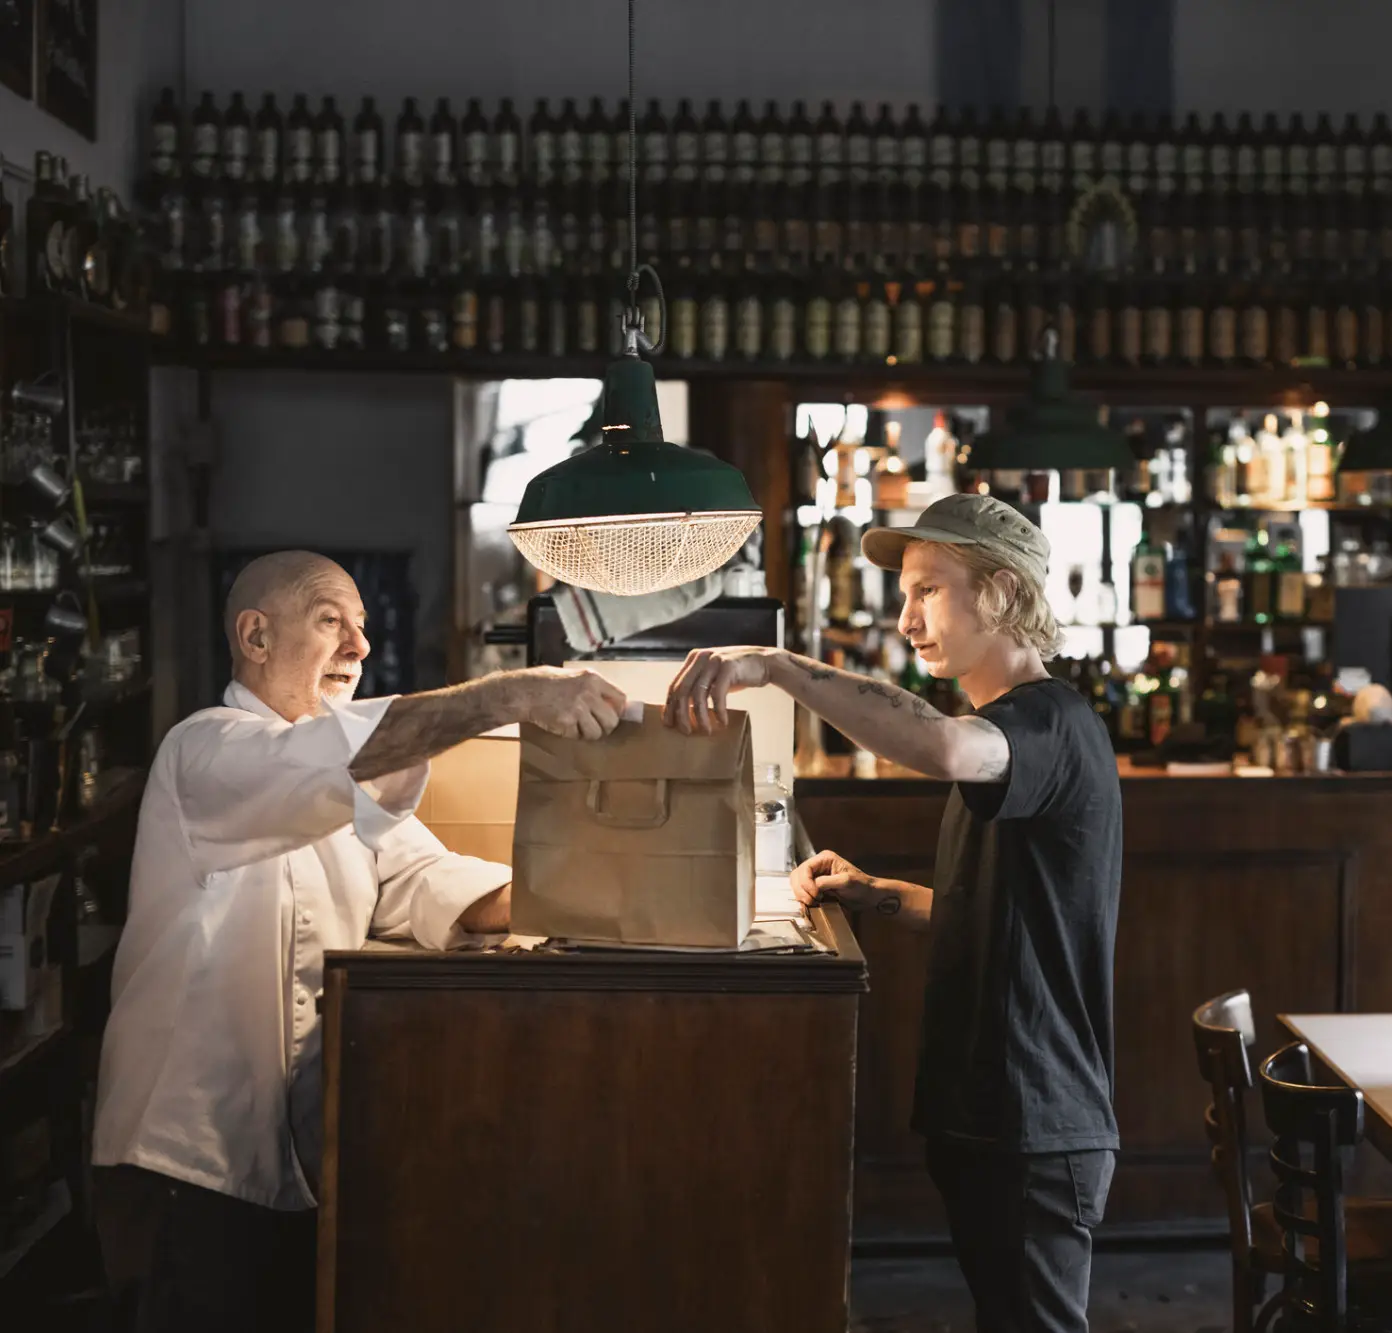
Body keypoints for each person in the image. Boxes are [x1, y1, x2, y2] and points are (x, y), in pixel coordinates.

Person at [93, 551, 627, 1331]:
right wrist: (514, 691)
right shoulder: (203, 750)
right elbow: (327, 761)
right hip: (183, 1159)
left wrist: (611, 894)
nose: (360, 647)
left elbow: (426, 879)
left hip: (294, 1158)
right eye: (330, 621)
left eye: (363, 627)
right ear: (256, 636)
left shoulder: (346, 781)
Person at [665, 494, 1122, 1332]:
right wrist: (879, 894)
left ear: (1003, 592)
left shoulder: (1046, 722)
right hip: (996, 1111)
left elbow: (943, 748)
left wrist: (776, 666)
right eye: (904, 593)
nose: (906, 617)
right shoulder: (1010, 728)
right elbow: (1005, 912)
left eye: (929, 590)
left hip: (1034, 1116)